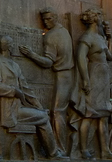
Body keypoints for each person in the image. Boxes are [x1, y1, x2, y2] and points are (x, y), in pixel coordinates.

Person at [0, 35, 66, 160]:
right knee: (43, 118)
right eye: (11, 44)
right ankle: (53, 154)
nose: (13, 46)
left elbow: (26, 89)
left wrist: (38, 106)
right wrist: (14, 91)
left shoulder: (15, 65)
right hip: (4, 110)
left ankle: (51, 152)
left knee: (42, 114)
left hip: (16, 107)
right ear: (7, 47)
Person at [21, 9, 76, 153]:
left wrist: (31, 54)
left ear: (56, 17)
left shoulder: (51, 36)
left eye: (48, 19)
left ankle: (60, 148)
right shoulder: (64, 31)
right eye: (43, 19)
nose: (45, 22)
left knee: (57, 112)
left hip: (62, 76)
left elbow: (47, 62)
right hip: (68, 75)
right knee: (59, 111)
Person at [72, 9, 112, 160]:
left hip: (103, 78)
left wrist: (110, 38)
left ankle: (105, 151)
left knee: (103, 115)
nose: (101, 18)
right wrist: (85, 79)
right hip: (94, 75)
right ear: (94, 18)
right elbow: (80, 58)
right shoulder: (87, 37)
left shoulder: (100, 37)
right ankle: (83, 149)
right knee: (89, 114)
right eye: (99, 15)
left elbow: (110, 56)